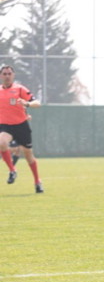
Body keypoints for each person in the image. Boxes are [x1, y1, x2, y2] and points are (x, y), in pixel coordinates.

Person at [0, 65, 44, 193]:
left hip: (21, 126)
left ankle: (37, 181)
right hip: (6, 126)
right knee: (1, 143)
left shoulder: (20, 89)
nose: (7, 76)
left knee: (29, 156)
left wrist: (27, 104)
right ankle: (13, 170)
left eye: (9, 74)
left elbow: (37, 103)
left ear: (13, 76)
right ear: (0, 76)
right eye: (4, 74)